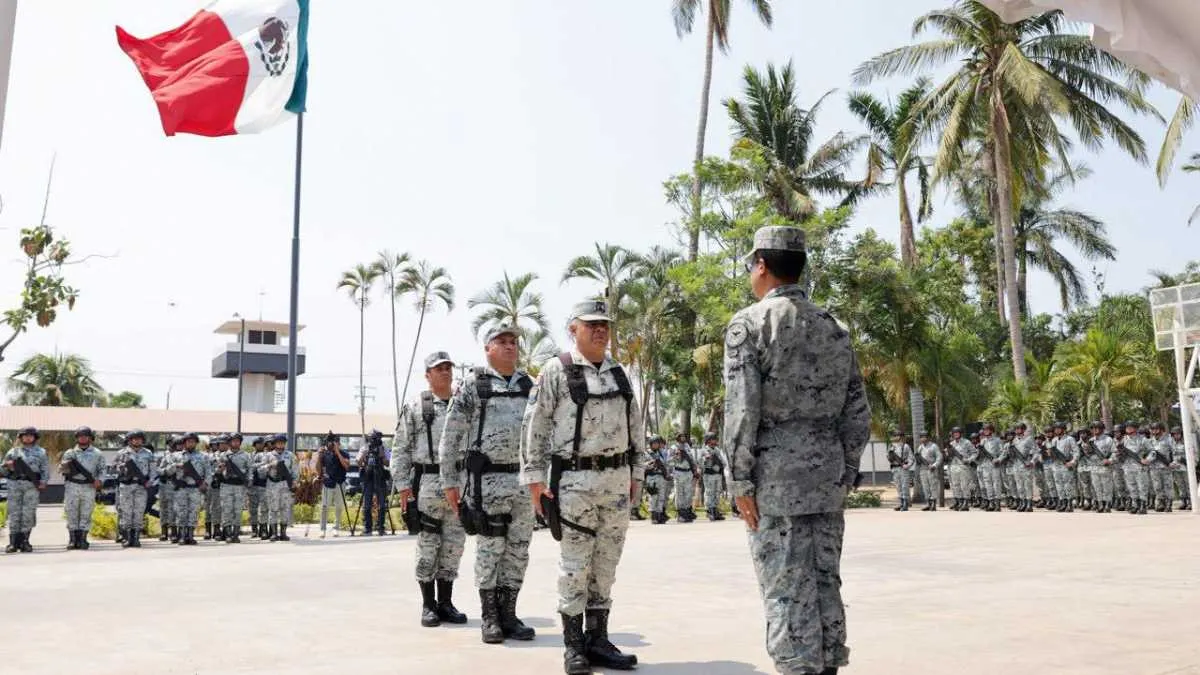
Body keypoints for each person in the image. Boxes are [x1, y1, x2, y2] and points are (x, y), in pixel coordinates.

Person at [724, 226, 871, 675]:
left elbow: (742, 409)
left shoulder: (750, 324)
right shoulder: (834, 328)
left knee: (786, 589)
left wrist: (740, 480)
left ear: (762, 266)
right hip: (827, 477)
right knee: (825, 582)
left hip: (775, 481)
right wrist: (846, 468)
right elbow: (857, 409)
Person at [522, 299, 644, 674]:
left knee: (606, 565)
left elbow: (635, 426)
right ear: (573, 329)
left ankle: (598, 640)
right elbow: (535, 427)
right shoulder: (556, 371)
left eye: (604, 324)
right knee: (575, 566)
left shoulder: (619, 373)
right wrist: (534, 480)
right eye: (592, 324)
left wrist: (637, 473)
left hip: (616, 482)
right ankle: (574, 645)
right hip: (574, 483)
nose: (600, 330)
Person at [439, 324, 536, 645]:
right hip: (487, 482)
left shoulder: (528, 385)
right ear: (487, 348)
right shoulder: (474, 385)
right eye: (502, 341)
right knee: (490, 549)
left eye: (513, 342)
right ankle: (490, 616)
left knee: (518, 550)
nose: (509, 347)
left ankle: (509, 614)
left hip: (522, 481)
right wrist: (449, 482)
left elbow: (542, 433)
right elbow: (451, 436)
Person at [393, 351, 468, 628]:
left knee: (453, 546)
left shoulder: (463, 404)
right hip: (428, 483)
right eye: (439, 368)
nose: (446, 372)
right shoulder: (416, 406)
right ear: (428, 375)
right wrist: (403, 487)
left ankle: (446, 603)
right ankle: (428, 604)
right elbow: (400, 448)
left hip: (459, 483)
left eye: (448, 367)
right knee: (428, 545)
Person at [2, 426, 49, 553]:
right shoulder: (13, 452)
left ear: (35, 437)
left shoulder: (41, 452)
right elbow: (2, 470)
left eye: (30, 435)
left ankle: (25, 542)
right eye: (25, 435)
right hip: (14, 485)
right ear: (21, 437)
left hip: (31, 486)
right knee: (14, 513)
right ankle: (13, 543)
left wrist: (43, 482)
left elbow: (45, 469)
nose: (28, 438)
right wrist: (6, 465)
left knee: (28, 513)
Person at [59, 426, 106, 550]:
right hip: (72, 485)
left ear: (90, 438)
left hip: (89, 486)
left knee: (86, 512)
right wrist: (65, 466)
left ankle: (83, 539)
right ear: (77, 438)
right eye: (80, 436)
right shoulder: (70, 453)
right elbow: (62, 470)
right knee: (71, 512)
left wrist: (100, 480)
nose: (83, 438)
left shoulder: (97, 453)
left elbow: (102, 469)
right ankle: (72, 540)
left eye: (86, 436)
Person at [114, 429, 157, 548]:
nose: (137, 441)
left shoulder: (148, 453)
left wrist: (150, 481)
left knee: (139, 511)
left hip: (141, 486)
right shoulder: (122, 453)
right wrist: (121, 467)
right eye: (134, 439)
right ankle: (127, 537)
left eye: (139, 439)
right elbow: (114, 467)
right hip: (126, 485)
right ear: (129, 440)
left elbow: (153, 470)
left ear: (143, 440)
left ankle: (136, 538)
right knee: (126, 511)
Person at [173, 432, 211, 545]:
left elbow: (208, 473)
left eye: (193, 441)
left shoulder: (203, 456)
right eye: (189, 441)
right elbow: (165, 471)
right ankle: (181, 535)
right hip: (181, 488)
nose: (191, 443)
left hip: (195, 488)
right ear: (184, 443)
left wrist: (206, 484)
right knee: (181, 512)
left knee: (193, 512)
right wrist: (176, 467)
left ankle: (190, 535)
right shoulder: (176, 456)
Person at [260, 433, 296, 541]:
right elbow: (260, 471)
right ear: (275, 443)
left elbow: (295, 470)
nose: (281, 445)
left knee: (285, 509)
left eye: (283, 443)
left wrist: (295, 481)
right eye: (279, 443)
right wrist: (271, 465)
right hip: (272, 484)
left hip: (285, 484)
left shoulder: (290, 455)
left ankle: (283, 533)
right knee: (273, 509)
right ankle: (274, 533)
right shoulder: (268, 455)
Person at [217, 432, 252, 543]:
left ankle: (235, 534)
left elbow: (250, 470)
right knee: (226, 510)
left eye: (237, 441)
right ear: (229, 442)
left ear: (240, 443)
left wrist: (249, 481)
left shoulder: (246, 455)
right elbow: (217, 471)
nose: (235, 443)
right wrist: (220, 469)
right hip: (226, 485)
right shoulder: (223, 455)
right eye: (233, 441)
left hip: (240, 486)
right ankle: (228, 534)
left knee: (238, 510)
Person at [357, 430, 391, 536]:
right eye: (372, 438)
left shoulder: (383, 447)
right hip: (368, 476)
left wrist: (382, 455)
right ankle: (368, 528)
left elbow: (388, 463)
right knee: (367, 503)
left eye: (376, 438)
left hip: (380, 476)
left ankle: (381, 528)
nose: (374, 440)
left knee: (382, 503)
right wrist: (365, 454)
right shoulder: (365, 447)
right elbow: (358, 462)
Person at [669, 434, 700, 522]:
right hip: (679, 472)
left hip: (688, 472)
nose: (683, 438)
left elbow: (692, 459)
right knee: (679, 493)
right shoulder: (673, 448)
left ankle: (687, 511)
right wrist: (676, 457)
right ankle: (680, 513)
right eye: (681, 436)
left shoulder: (687, 447)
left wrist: (695, 470)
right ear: (677, 438)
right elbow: (669, 462)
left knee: (688, 493)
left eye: (684, 437)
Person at [203, 434, 227, 541]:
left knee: (219, 508)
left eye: (216, 445)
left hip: (222, 484)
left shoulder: (224, 455)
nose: (215, 447)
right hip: (210, 484)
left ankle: (218, 529)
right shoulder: (207, 457)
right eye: (213, 445)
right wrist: (215, 473)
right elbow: (206, 471)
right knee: (209, 507)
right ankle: (208, 530)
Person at [1088, 422, 1115, 513]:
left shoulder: (1108, 439)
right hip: (1094, 467)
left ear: (1102, 429)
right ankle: (1100, 504)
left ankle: (1107, 504)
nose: (1095, 430)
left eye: (1097, 428)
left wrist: (1110, 460)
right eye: (1093, 428)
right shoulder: (1091, 441)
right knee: (1097, 487)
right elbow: (1088, 454)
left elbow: (1114, 452)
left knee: (1107, 486)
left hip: (1105, 467)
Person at [698, 433, 727, 521]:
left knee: (717, 492)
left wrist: (721, 463)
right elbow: (699, 462)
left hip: (717, 474)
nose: (715, 441)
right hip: (709, 474)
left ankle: (715, 509)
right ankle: (709, 510)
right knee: (709, 492)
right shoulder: (704, 450)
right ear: (708, 440)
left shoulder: (717, 450)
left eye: (715, 439)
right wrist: (705, 459)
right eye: (713, 439)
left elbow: (723, 462)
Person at [1146, 422, 1174, 512]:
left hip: (1165, 467)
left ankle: (1169, 503)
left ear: (1161, 430)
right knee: (1157, 486)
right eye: (1153, 429)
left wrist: (1173, 462)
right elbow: (1147, 453)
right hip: (1153, 467)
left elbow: (1175, 452)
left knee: (1168, 486)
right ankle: (1161, 503)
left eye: (1156, 429)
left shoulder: (1168, 439)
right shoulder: (1150, 441)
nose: (1154, 431)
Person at [944, 427, 974, 511]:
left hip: (963, 466)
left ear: (960, 433)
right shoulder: (951, 444)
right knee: (955, 485)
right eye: (954, 433)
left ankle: (966, 503)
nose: (956, 434)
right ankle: (959, 501)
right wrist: (946, 453)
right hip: (953, 466)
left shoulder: (966, 442)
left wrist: (969, 460)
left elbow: (974, 453)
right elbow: (948, 456)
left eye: (957, 433)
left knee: (964, 485)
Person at [642, 436, 670, 524]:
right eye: (654, 443)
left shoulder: (661, 453)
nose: (656, 445)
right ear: (651, 444)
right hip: (652, 477)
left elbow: (665, 464)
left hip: (661, 477)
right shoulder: (647, 453)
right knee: (654, 497)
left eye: (657, 443)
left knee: (661, 497)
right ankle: (653, 515)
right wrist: (649, 464)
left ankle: (659, 514)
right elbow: (642, 465)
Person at [1010, 423, 1036, 512]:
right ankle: (1023, 502)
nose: (1017, 430)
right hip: (1016, 466)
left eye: (1019, 428)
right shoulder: (1014, 440)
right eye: (1016, 429)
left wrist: (1032, 461)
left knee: (1027, 485)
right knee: (1019, 485)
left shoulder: (1029, 439)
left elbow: (1036, 452)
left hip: (1026, 465)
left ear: (1023, 429)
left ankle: (1029, 503)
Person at [887, 431, 914, 511]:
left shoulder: (906, 446)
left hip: (903, 469)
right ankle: (901, 503)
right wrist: (890, 457)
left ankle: (906, 504)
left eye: (897, 435)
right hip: (895, 469)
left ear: (902, 437)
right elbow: (888, 456)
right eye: (895, 435)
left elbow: (911, 458)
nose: (895, 437)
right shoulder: (892, 446)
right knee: (898, 486)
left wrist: (907, 465)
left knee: (904, 486)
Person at [914, 433, 941, 512]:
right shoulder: (920, 447)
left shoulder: (934, 446)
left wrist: (934, 465)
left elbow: (939, 457)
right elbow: (918, 459)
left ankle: (934, 504)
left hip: (931, 468)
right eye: (921, 437)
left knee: (933, 486)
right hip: (923, 469)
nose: (923, 438)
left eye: (925, 437)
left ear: (928, 437)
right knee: (925, 487)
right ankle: (928, 503)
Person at [1170, 427, 1192, 511]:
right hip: (1176, 468)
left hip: (1185, 467)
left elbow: (1192, 454)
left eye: (1178, 434)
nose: (1176, 436)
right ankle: (1183, 501)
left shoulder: (1186, 442)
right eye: (1174, 434)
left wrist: (1184, 460)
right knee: (1180, 485)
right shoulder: (1172, 443)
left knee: (1188, 485)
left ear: (1181, 434)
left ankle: (1190, 501)